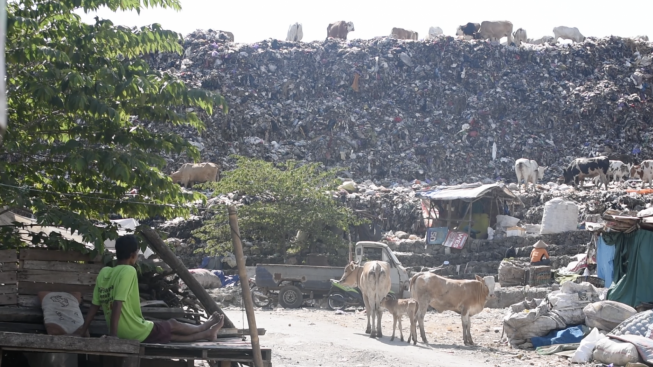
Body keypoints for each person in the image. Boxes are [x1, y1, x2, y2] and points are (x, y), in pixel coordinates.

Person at [75, 235, 224, 343]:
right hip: (131, 329)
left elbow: (95, 305)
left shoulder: (104, 272)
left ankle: (208, 334)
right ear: (133, 255)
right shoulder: (128, 271)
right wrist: (114, 336)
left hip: (125, 330)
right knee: (172, 324)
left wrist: (83, 329)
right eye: (137, 255)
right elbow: (117, 302)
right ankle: (204, 326)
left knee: (168, 336)